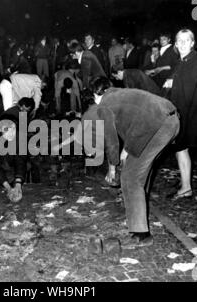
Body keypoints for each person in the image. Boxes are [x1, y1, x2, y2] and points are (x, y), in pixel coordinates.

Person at [55, 77, 180, 249]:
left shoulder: (104, 105)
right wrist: (125, 151)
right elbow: (133, 122)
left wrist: (112, 167)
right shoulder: (121, 93)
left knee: (129, 178)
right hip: (171, 120)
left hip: (153, 127)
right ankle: (138, 212)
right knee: (141, 169)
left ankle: (141, 234)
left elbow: (111, 141)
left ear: (96, 95)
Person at [163, 29, 197, 200]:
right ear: (175, 43)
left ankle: (186, 187)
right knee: (180, 149)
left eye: (186, 41)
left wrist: (172, 84)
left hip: (188, 114)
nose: (182, 44)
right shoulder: (184, 60)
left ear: (192, 43)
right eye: (179, 41)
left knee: (181, 149)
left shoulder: (195, 62)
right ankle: (185, 183)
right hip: (185, 112)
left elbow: (187, 92)